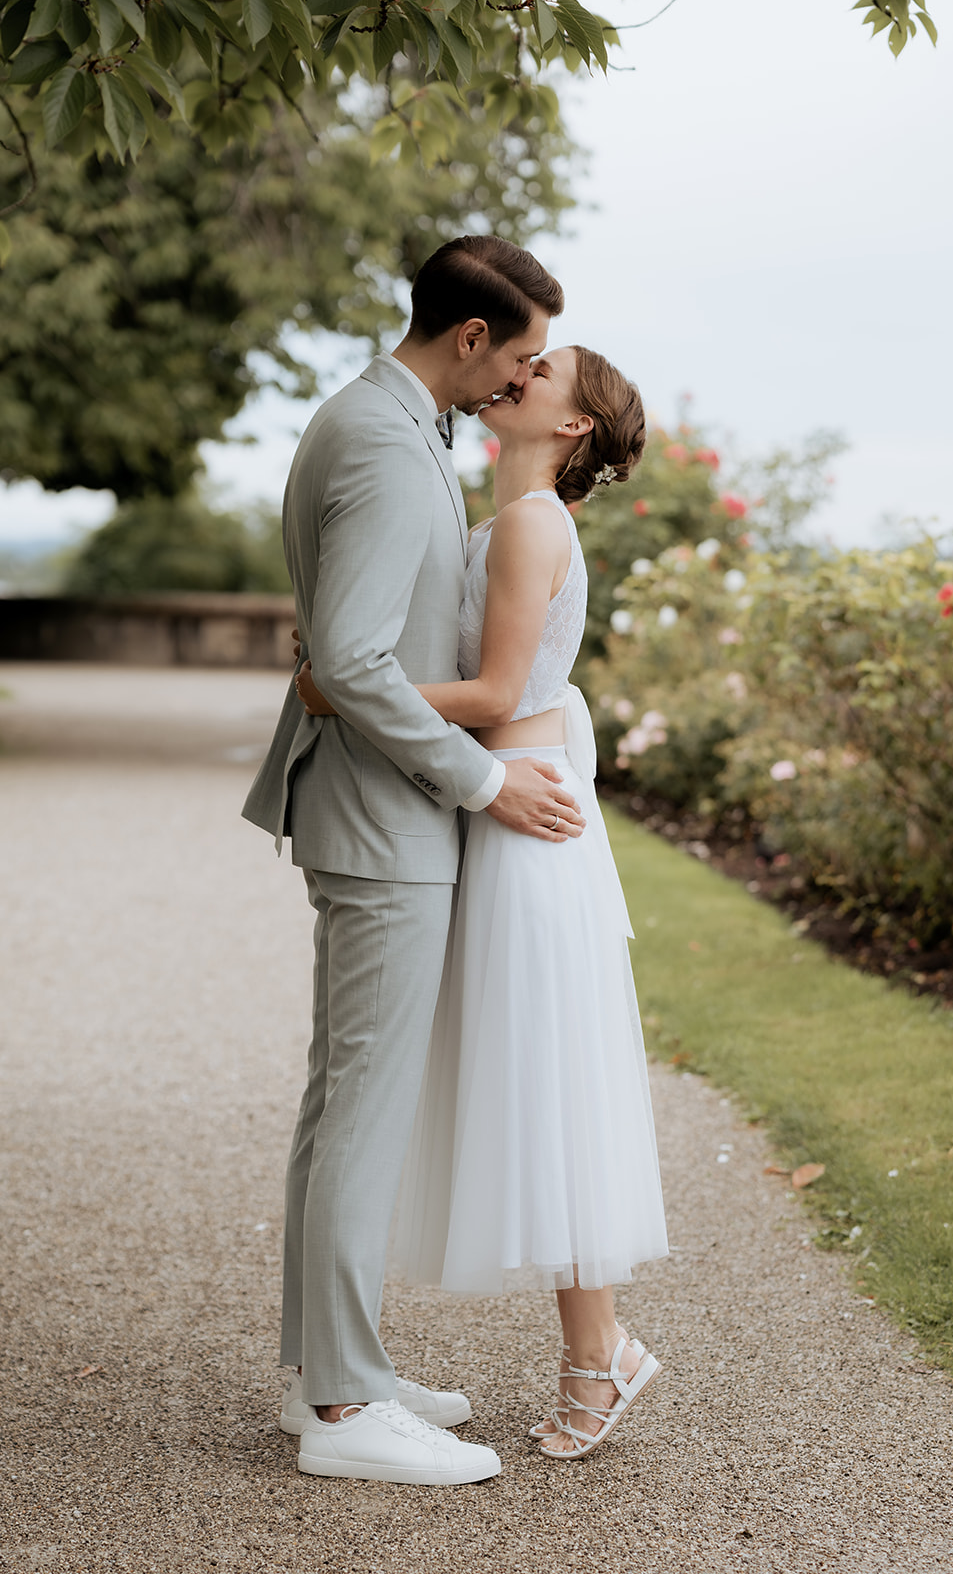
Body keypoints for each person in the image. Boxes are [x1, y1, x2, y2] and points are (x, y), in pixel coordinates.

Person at [242, 236, 585, 1487]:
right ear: (468, 342)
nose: (530, 374)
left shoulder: (385, 421)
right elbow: (349, 667)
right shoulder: (389, 445)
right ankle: (340, 1411)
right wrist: (486, 781)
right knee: (361, 1111)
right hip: (387, 826)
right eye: (527, 353)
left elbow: (341, 646)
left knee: (342, 1100)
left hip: (370, 815)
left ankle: (330, 1369)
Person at [297, 343, 669, 1460]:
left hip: (520, 822)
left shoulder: (525, 524)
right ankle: (602, 1348)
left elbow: (500, 693)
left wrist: (341, 683)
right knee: (545, 1081)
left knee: (551, 1083)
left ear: (568, 427)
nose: (521, 369)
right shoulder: (511, 516)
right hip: (508, 810)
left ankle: (596, 1359)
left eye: (544, 368)